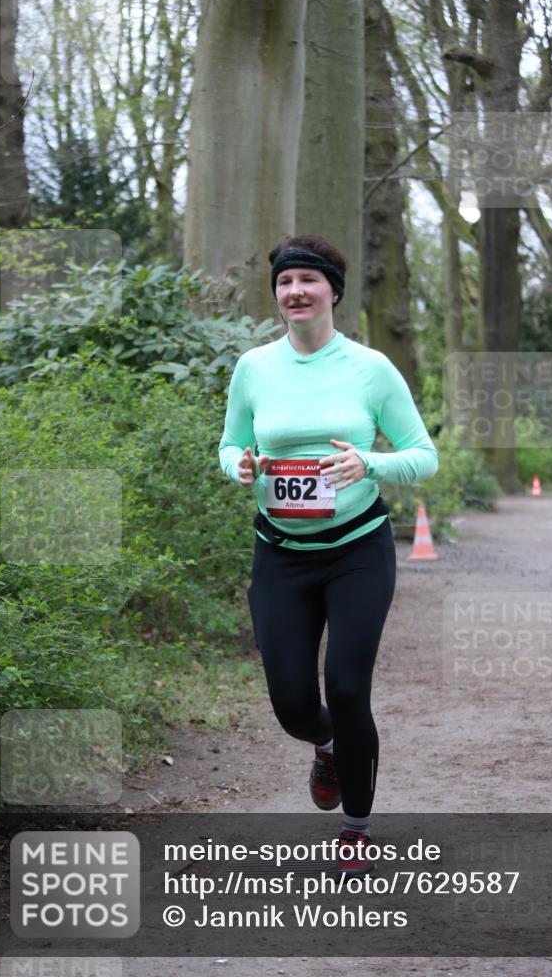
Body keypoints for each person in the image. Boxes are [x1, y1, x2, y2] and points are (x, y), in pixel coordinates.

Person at [218, 234, 438, 877]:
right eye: (285, 283)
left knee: (346, 687)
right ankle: (327, 746)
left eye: (308, 281)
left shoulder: (370, 368)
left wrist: (368, 462)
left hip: (356, 551)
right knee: (293, 706)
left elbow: (423, 456)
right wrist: (240, 466)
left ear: (333, 292)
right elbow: (229, 443)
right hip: (280, 554)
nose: (296, 292)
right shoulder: (254, 368)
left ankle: (357, 829)